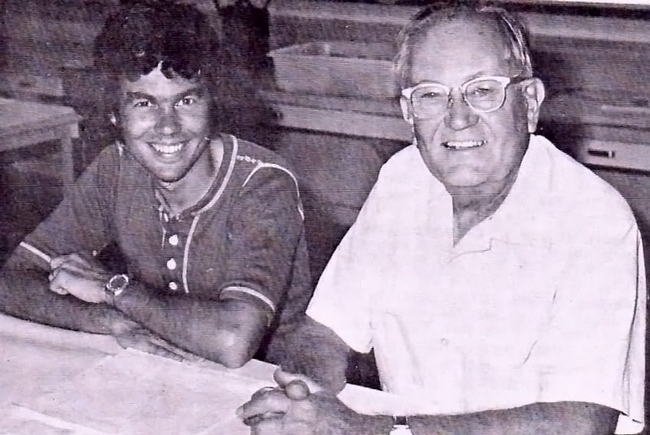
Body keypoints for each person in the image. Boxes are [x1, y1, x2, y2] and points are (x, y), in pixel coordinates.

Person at [238, 2, 646, 434]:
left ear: (529, 103)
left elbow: (580, 423)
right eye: (431, 94)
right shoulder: (403, 179)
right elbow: (325, 334)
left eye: (483, 90)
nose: (457, 118)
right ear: (408, 113)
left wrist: (376, 430)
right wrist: (303, 396)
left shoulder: (594, 222)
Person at [0, 1, 312, 369]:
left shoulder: (263, 182)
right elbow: (11, 280)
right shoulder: (115, 168)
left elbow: (233, 341)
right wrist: (108, 320)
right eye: (145, 103)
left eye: (187, 100)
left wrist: (112, 289)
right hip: (160, 369)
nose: (168, 126)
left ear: (214, 103)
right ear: (115, 113)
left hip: (268, 384)